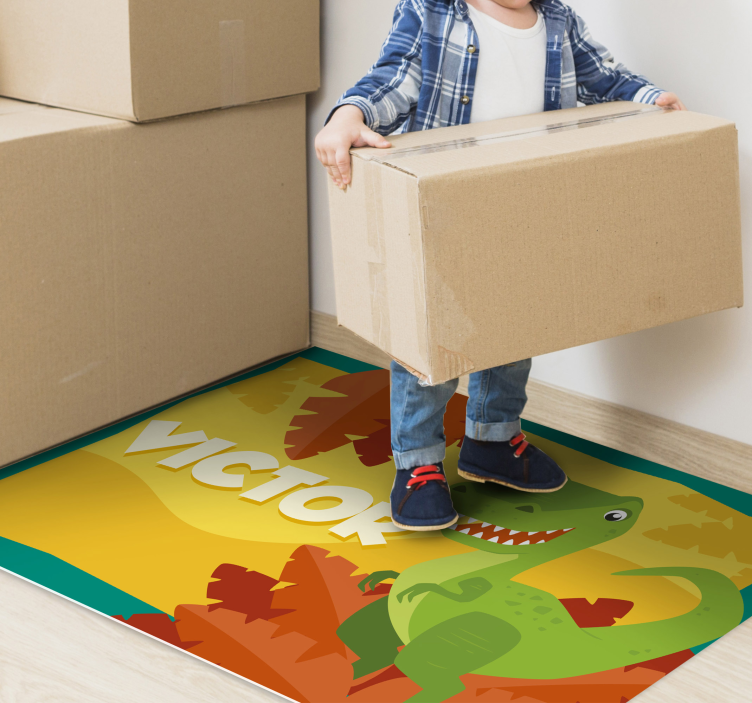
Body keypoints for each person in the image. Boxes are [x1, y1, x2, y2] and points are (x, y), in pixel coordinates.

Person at [315, 0, 686, 532]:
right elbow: (392, 79)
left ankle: (492, 439)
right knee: (433, 338)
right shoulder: (433, 11)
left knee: (514, 324)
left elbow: (603, 77)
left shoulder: (557, 20)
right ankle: (418, 463)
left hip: (522, 201)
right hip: (442, 206)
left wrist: (649, 98)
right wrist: (349, 115)